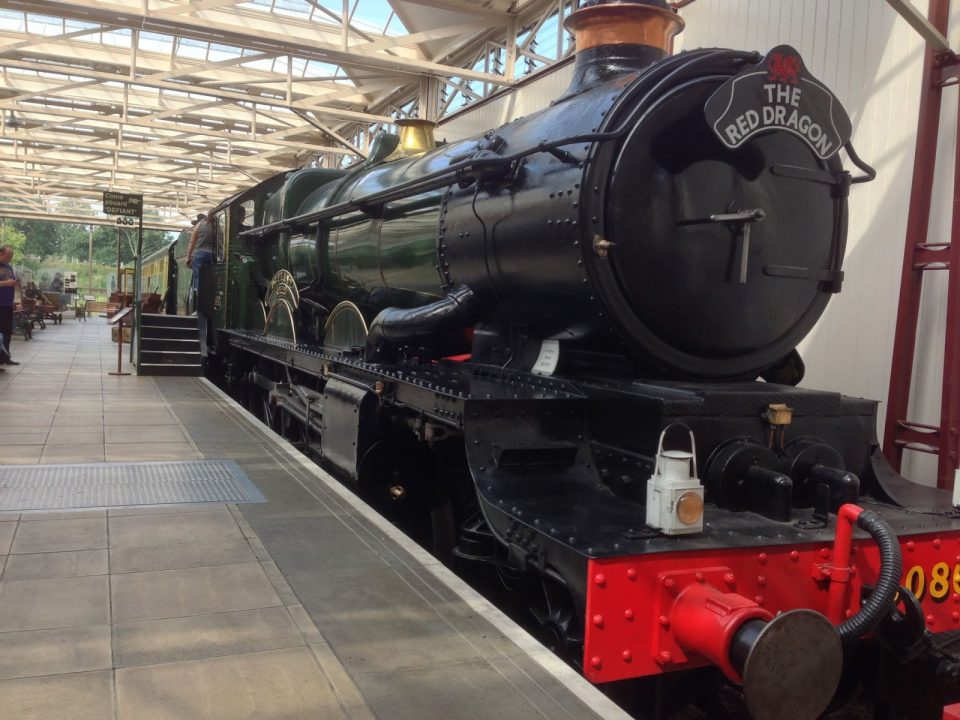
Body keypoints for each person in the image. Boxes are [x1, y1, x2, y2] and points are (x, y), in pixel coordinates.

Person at [185, 213, 214, 300]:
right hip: (214, 256)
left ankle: (199, 302)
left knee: (199, 279)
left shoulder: (199, 225)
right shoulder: (219, 227)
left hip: (201, 255)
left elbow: (192, 242)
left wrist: (188, 257)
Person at [0, 245, 19, 365]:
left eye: (11, 256)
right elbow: (7, 283)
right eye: (8, 256)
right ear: (1, 253)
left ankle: (5, 357)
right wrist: (6, 283)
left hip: (7, 304)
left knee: (7, 332)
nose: (10, 258)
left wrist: (13, 301)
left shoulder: (9, 267)